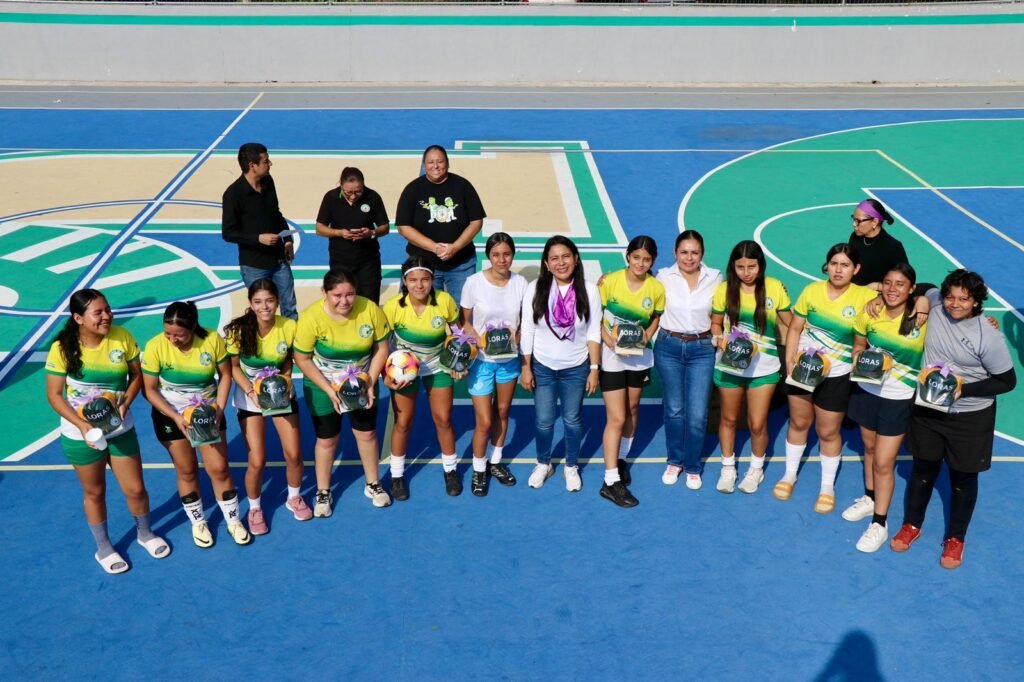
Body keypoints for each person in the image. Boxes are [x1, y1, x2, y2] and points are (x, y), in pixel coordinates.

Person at [891, 269, 1016, 569]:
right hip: (929, 410)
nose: (955, 304)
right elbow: (924, 285)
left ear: (976, 302)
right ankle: (911, 524)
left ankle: (956, 538)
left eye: (964, 299)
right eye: (950, 297)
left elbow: (1006, 380)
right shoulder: (935, 304)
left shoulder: (988, 335)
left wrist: (960, 389)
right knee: (923, 469)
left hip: (969, 417)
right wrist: (921, 300)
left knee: (962, 478)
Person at [44, 289, 169, 574]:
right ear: (78, 318)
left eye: (108, 310)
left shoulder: (122, 336)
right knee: (95, 492)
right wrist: (83, 425)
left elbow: (136, 376)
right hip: (82, 435)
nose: (107, 316)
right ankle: (104, 549)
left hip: (120, 427)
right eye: (98, 313)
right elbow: (54, 395)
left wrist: (125, 402)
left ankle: (145, 534)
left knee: (136, 488)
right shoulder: (62, 348)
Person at [776, 244, 877, 513]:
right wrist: (790, 361)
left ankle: (826, 487)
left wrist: (924, 305)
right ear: (827, 265)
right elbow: (795, 327)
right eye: (834, 263)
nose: (838, 269)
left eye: (845, 265)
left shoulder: (867, 297)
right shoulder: (811, 291)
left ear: (856, 269)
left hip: (838, 374)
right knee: (799, 422)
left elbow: (908, 297)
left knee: (828, 431)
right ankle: (789, 475)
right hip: (804, 368)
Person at [141, 301, 251, 547]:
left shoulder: (211, 339)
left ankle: (233, 521)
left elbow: (225, 375)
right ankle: (198, 521)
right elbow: (149, 390)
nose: (172, 339)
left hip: (206, 414)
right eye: (168, 333)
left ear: (192, 328)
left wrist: (219, 409)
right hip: (171, 416)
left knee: (219, 468)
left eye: (178, 334)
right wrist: (176, 417)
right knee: (187, 470)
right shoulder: (155, 346)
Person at [293, 269, 392, 516]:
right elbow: (302, 358)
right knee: (327, 439)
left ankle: (373, 484)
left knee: (366, 434)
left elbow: (382, 347)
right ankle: (323, 491)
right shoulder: (310, 317)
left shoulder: (369, 309)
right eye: (337, 295)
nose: (344, 301)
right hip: (322, 384)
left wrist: (368, 381)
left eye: (350, 294)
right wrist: (329, 389)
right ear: (324, 293)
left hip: (361, 382)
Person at [842, 264, 926, 552]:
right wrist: (860, 358)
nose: (892, 289)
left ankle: (880, 522)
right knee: (868, 449)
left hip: (898, 398)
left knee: (883, 461)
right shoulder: (871, 310)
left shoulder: (921, 317)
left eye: (900, 284)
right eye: (887, 283)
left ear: (912, 289)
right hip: (867, 390)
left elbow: (937, 294)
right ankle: (869, 497)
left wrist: (925, 301)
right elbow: (857, 344)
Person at [223, 279, 312, 535]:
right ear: (250, 304)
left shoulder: (289, 326)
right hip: (250, 398)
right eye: (258, 302)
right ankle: (254, 508)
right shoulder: (238, 331)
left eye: (270, 301)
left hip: (280, 395)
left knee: (294, 454)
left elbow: (288, 360)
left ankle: (293, 497)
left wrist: (285, 378)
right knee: (257, 459)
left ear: (277, 301)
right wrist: (252, 391)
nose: (265, 307)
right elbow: (234, 366)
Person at [520, 236, 602, 495]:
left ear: (576, 259)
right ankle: (543, 463)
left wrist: (594, 369)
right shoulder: (535, 288)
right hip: (543, 366)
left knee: (572, 420)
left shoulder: (589, 290)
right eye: (554, 258)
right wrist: (526, 366)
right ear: (546, 263)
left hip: (576, 367)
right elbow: (528, 329)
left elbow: (593, 332)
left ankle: (570, 465)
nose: (561, 262)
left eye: (566, 256)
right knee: (544, 421)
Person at [710, 241, 793, 495]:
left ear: (761, 266)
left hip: (764, 368)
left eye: (752, 266)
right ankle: (727, 467)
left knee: (757, 423)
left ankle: (755, 469)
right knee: (729, 418)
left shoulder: (775, 288)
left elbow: (792, 325)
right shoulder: (724, 290)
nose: (746, 272)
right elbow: (714, 323)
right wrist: (718, 338)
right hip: (730, 365)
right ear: (733, 267)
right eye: (740, 267)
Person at [381, 257, 463, 500]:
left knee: (444, 419)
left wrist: (459, 361)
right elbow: (383, 345)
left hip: (438, 366)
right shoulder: (393, 306)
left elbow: (458, 334)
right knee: (403, 422)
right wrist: (387, 374)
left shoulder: (445, 301)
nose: (419, 285)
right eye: (413, 280)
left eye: (425, 279)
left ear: (432, 280)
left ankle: (450, 470)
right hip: (404, 370)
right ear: (404, 281)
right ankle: (396, 476)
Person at [597, 235, 665, 507]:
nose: (640, 263)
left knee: (633, 408)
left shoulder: (656, 287)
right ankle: (610, 480)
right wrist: (610, 341)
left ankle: (621, 459)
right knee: (616, 416)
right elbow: (596, 315)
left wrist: (647, 335)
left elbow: (657, 315)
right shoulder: (609, 281)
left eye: (646, 259)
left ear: (653, 261)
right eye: (636, 257)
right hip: (612, 357)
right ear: (628, 256)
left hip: (638, 356)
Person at [460, 232, 527, 496]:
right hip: (482, 362)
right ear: (488, 255)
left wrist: (517, 338)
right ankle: (478, 470)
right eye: (496, 254)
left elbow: (524, 321)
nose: (502, 259)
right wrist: (479, 341)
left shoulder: (521, 283)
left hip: (508, 361)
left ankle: (495, 462)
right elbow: (463, 321)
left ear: (513, 254)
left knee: (502, 412)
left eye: (507, 254)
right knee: (484, 421)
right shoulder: (473, 283)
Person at [655, 230, 722, 490]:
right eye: (684, 252)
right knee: (674, 409)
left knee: (696, 413)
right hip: (669, 348)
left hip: (703, 349)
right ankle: (675, 460)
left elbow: (737, 295)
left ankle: (693, 465)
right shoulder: (662, 277)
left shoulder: (715, 277)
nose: (689, 257)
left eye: (694, 252)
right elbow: (635, 287)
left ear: (702, 254)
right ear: (675, 253)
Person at [395, 145, 485, 303]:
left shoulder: (463, 186)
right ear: (424, 165)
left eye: (440, 161)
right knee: (421, 311)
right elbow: (403, 227)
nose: (435, 166)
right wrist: (434, 248)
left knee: (464, 310)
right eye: (430, 162)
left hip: (461, 265)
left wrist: (455, 247)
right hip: (422, 266)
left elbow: (476, 221)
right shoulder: (413, 189)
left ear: (447, 163)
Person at [222, 142, 298, 320]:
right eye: (266, 161)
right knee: (264, 313)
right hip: (254, 265)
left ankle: (293, 347)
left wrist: (287, 240)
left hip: (279, 260)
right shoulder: (234, 194)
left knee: (290, 308)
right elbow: (228, 233)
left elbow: (276, 214)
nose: (270, 163)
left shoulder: (268, 182)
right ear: (252, 166)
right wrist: (258, 239)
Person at [314, 166, 390, 303]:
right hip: (340, 262)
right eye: (348, 192)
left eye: (358, 191)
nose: (353, 196)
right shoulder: (330, 198)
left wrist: (371, 233)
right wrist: (339, 233)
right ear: (341, 185)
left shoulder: (373, 197)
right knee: (342, 303)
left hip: (368, 263)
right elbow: (319, 228)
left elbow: (385, 227)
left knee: (369, 303)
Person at [848, 198, 908, 288]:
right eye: (854, 219)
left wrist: (879, 286)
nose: (854, 224)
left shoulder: (893, 247)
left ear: (874, 222)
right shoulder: (854, 238)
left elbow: (905, 279)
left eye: (858, 221)